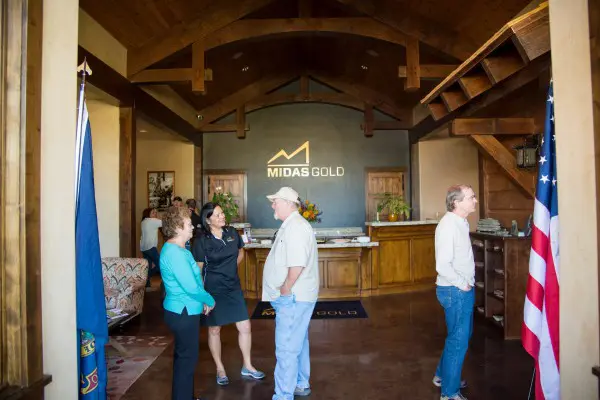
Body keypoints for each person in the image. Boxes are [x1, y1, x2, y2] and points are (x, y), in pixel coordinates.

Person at [192, 202, 265, 386]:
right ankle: (220, 369)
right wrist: (202, 297)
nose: (222, 216)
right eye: (217, 215)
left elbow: (240, 252)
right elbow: (198, 270)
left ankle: (247, 365)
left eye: (222, 213)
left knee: (245, 326)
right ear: (208, 220)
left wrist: (230, 268)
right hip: (212, 289)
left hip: (233, 287)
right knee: (215, 329)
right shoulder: (201, 241)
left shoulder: (232, 233)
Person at [262, 187, 319, 400]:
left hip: (292, 297)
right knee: (298, 342)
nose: (272, 205)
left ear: (287, 203)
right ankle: (300, 384)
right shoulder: (294, 225)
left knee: (286, 348)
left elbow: (297, 264)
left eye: (275, 201)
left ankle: (283, 395)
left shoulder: (295, 227)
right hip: (296, 297)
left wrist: (285, 288)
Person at [160, 206, 215, 400]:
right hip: (182, 312)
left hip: (184, 310)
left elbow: (194, 282)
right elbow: (191, 287)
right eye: (189, 224)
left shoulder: (179, 249)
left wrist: (202, 300)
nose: (193, 227)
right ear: (177, 227)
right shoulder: (175, 253)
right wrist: (209, 299)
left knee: (184, 359)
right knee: (187, 360)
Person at [433, 184, 478, 400]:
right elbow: (442, 265)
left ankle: (443, 376)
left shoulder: (461, 222)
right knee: (458, 341)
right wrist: (463, 284)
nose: (475, 200)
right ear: (456, 202)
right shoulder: (448, 226)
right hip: (456, 290)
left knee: (459, 337)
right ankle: (449, 393)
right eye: (471, 197)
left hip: (460, 289)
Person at [140, 207, 162, 288]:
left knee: (148, 267)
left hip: (144, 248)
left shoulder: (143, 222)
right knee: (161, 265)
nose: (155, 214)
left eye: (156, 212)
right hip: (151, 248)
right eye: (153, 212)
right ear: (147, 214)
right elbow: (166, 223)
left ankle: (147, 285)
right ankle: (168, 283)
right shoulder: (152, 221)